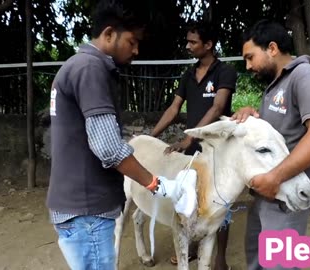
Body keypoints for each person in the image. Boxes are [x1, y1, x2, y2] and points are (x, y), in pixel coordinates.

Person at [46, 1, 193, 269]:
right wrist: (157, 184)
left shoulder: (75, 65)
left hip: (77, 205)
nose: (136, 50)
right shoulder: (90, 69)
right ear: (109, 34)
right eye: (132, 41)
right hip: (88, 209)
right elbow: (108, 148)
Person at [232, 20, 310, 270]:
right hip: (267, 195)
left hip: (285, 195)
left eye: (250, 57)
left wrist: (275, 178)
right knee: (257, 261)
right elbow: (279, 134)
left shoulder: (305, 76)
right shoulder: (276, 84)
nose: (248, 66)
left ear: (273, 48)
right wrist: (254, 116)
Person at [151, 22, 237, 270]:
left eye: (193, 42)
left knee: (221, 202)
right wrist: (150, 137)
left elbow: (218, 108)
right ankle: (190, 249)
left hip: (218, 149)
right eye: (187, 41)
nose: (188, 46)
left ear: (208, 45)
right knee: (189, 199)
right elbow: (173, 109)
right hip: (192, 149)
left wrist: (190, 138)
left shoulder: (225, 72)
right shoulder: (188, 74)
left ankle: (220, 259)